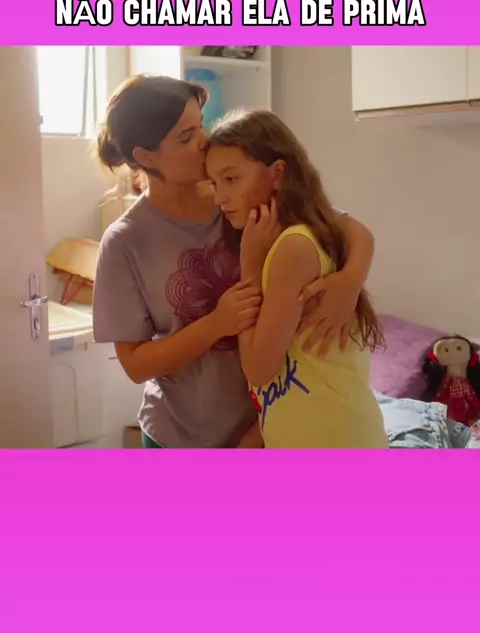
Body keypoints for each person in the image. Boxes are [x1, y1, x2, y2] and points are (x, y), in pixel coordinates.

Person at [93, 74, 378, 449]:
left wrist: (350, 281)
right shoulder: (124, 241)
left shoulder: (239, 193)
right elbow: (135, 364)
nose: (204, 141)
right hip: (180, 437)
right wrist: (216, 324)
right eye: (186, 137)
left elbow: (346, 228)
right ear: (146, 157)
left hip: (268, 426)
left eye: (201, 126)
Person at [205, 109, 388, 449]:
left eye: (231, 179)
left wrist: (250, 263)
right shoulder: (309, 232)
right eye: (214, 183)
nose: (220, 197)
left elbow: (260, 370)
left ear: (277, 173)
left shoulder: (295, 247)